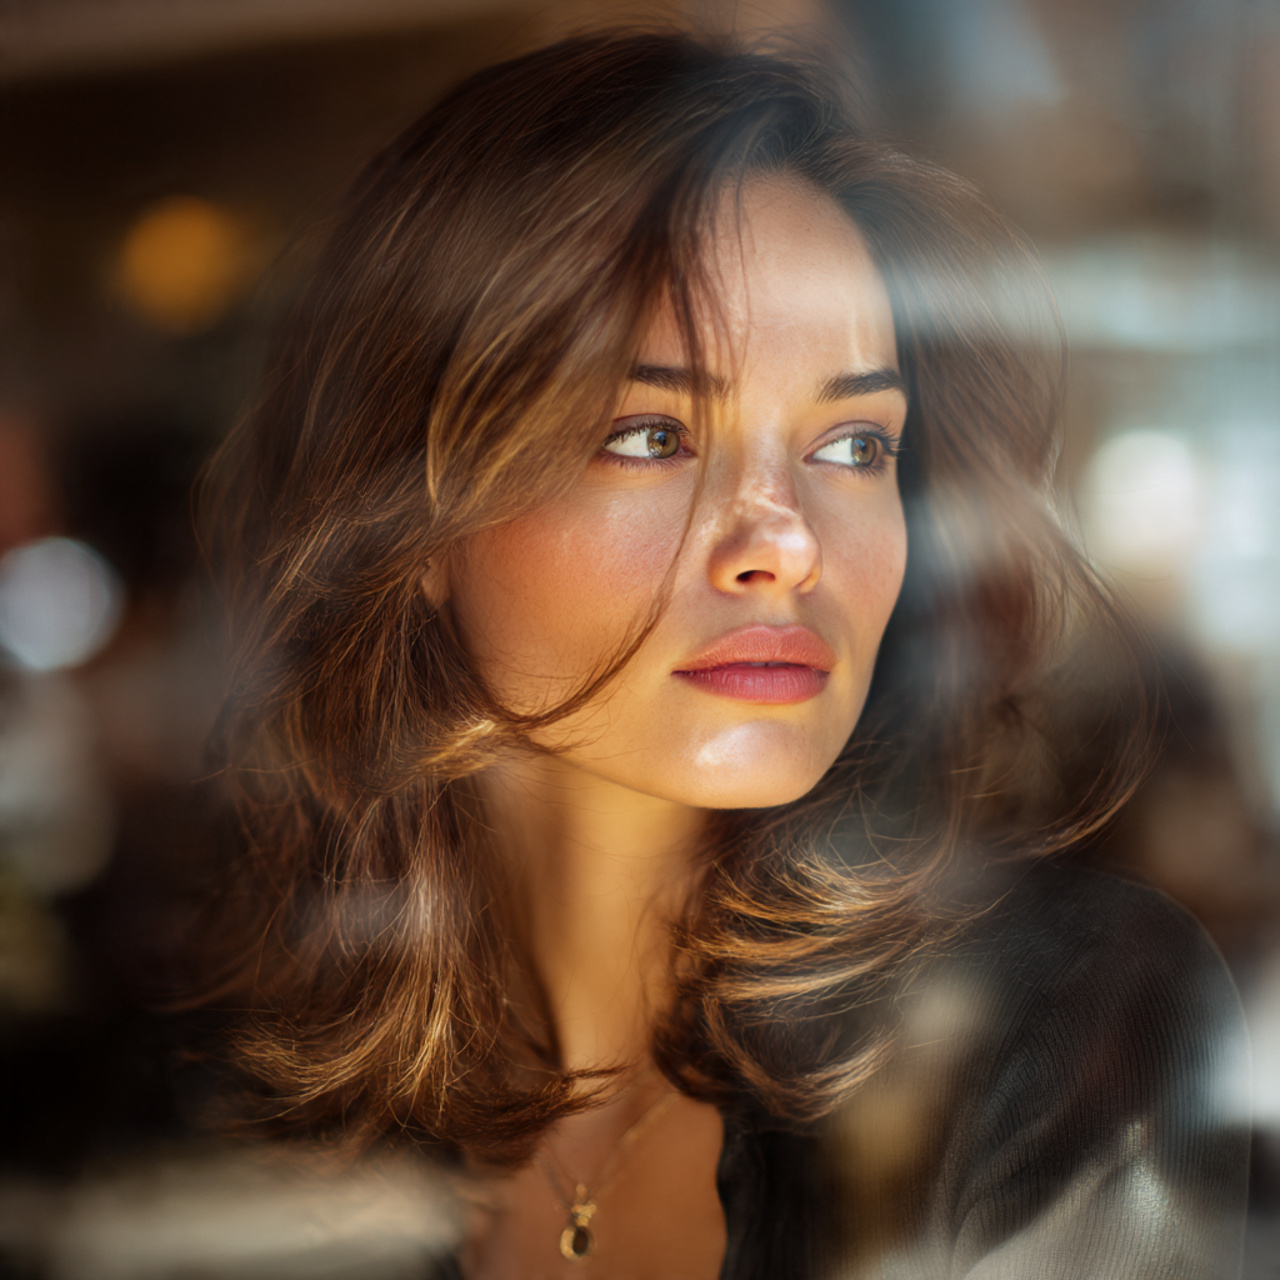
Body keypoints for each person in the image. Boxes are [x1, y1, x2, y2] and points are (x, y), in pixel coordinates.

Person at [200, 29, 1249, 1279]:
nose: (786, 543)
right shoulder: (268, 1117)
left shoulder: (1063, 1028)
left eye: (853, 444)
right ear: (414, 515)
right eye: (648, 433)